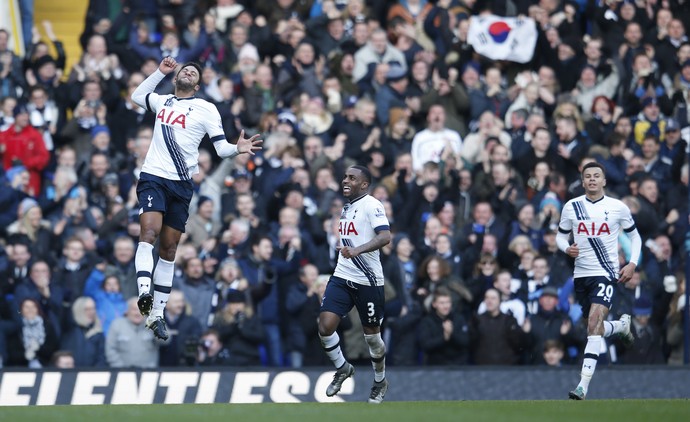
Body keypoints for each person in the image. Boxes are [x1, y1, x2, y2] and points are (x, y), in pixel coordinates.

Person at [129, 56, 262, 340]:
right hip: (153, 176)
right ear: (176, 78)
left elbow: (221, 149)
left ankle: (157, 316)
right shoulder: (162, 101)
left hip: (182, 185)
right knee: (148, 232)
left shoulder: (206, 109)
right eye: (183, 70)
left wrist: (238, 148)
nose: (187, 72)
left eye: (193, 72)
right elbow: (137, 95)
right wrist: (158, 72)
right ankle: (144, 294)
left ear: (198, 85)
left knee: (169, 250)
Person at [556, 162, 641, 400]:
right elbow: (560, 237)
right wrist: (566, 249)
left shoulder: (617, 207)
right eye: (588, 177)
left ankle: (582, 386)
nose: (592, 179)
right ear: (583, 182)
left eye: (597, 176)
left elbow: (635, 237)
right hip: (581, 275)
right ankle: (620, 326)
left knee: (594, 322)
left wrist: (632, 263)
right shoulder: (572, 207)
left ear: (604, 181)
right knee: (595, 328)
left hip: (606, 272)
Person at [318, 165, 392, 404]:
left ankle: (380, 381)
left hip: (368, 280)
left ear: (364, 184)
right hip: (342, 275)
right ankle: (342, 368)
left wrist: (356, 250)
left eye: (352, 178)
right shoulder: (347, 208)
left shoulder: (373, 205)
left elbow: (385, 237)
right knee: (325, 325)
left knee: (372, 337)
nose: (345, 180)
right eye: (345, 176)